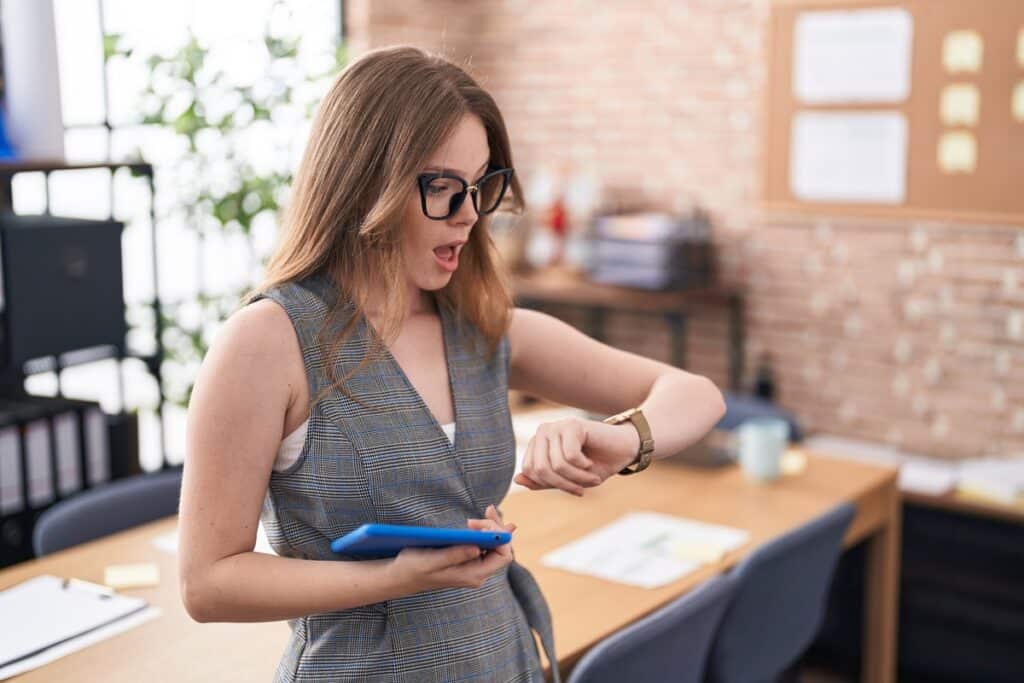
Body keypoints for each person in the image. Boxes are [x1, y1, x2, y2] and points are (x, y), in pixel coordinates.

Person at [178, 45, 726, 683]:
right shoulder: (267, 343)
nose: (468, 215)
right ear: (364, 184)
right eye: (441, 188)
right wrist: (392, 578)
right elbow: (207, 583)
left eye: (478, 186)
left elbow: (697, 394)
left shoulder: (483, 332)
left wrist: (619, 438)